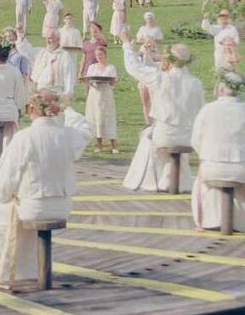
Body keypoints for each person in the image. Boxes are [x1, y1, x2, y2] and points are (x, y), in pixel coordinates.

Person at [0, 92, 92, 288]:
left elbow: (4, 181)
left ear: (32, 110)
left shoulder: (24, 138)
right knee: (8, 209)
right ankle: (28, 269)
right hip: (63, 205)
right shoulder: (68, 135)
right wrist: (69, 111)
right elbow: (85, 129)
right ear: (56, 110)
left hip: (33, 206)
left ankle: (0, 270)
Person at [121, 31, 205, 192]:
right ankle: (178, 180)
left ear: (170, 60)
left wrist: (126, 43)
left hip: (165, 133)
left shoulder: (160, 77)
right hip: (189, 135)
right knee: (157, 134)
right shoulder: (196, 83)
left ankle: (152, 180)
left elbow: (133, 67)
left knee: (147, 136)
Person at [191, 70, 245, 232]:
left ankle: (208, 221)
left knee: (201, 185)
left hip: (211, 166)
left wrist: (206, 155)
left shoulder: (207, 109)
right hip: (242, 167)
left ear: (220, 89)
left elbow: (195, 140)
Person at [84, 46, 119, 154]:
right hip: (94, 94)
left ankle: (114, 145)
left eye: (101, 55)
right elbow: (88, 80)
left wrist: (112, 81)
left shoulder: (111, 68)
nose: (99, 57)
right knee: (96, 118)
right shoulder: (92, 67)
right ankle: (99, 145)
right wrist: (90, 82)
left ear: (105, 55)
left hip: (106, 94)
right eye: (97, 55)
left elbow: (113, 81)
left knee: (108, 117)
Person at [29, 30, 77, 99]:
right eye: (47, 38)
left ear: (58, 40)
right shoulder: (42, 53)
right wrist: (20, 34)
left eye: (51, 38)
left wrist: (67, 94)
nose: (48, 41)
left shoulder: (64, 55)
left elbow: (69, 75)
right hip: (40, 92)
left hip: (55, 93)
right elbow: (27, 51)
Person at [202, 10, 241, 94]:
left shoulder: (232, 28)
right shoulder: (216, 28)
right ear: (219, 18)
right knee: (219, 72)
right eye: (221, 17)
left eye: (225, 17)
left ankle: (232, 89)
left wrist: (230, 43)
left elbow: (237, 40)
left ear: (228, 18)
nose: (224, 18)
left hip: (230, 54)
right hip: (219, 54)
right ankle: (216, 90)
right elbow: (205, 27)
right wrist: (205, 18)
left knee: (231, 72)